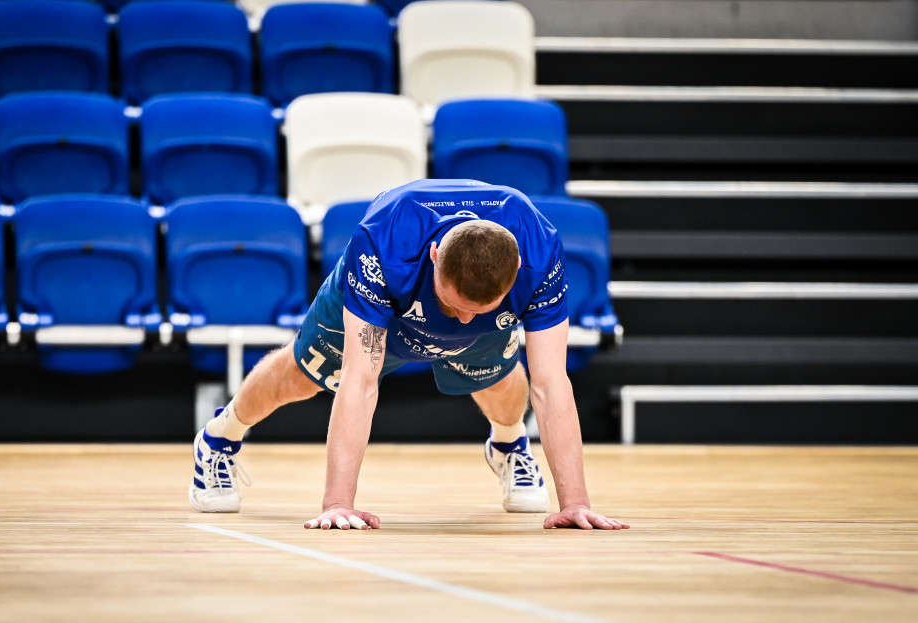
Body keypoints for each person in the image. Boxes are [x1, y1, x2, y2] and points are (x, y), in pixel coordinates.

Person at [188, 179, 628, 532]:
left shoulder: (539, 249)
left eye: (475, 310)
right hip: (387, 309)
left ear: (515, 275)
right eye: (454, 304)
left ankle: (509, 445)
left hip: (480, 311)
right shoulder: (385, 241)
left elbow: (550, 383)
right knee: (300, 377)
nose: (460, 320)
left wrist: (575, 504)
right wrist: (338, 504)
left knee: (499, 377)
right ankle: (218, 438)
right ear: (434, 255)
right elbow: (361, 382)